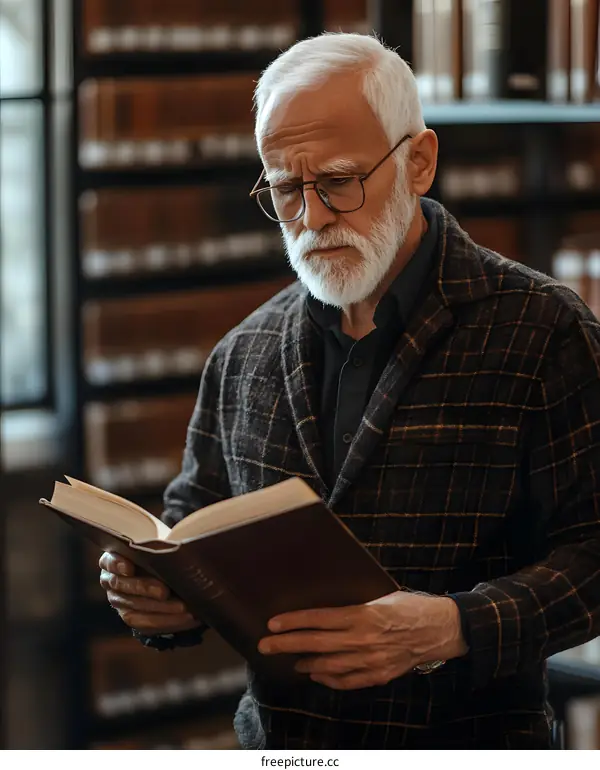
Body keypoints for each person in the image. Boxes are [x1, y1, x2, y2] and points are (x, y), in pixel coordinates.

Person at [98, 33, 600, 749]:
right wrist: (157, 595)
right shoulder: (244, 352)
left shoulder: (542, 330)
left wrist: (455, 626)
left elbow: (593, 551)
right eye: (284, 191)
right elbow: (194, 522)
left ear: (418, 161)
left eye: (337, 181)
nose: (313, 218)